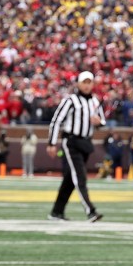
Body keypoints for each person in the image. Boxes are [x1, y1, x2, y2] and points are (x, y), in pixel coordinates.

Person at [46, 71, 105, 222]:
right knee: (79, 176)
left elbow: (102, 121)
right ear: (78, 83)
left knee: (70, 179)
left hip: (85, 143)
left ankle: (56, 212)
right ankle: (90, 211)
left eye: (89, 82)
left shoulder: (95, 102)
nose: (86, 85)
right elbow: (56, 120)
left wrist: (98, 122)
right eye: (84, 82)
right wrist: (52, 143)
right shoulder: (71, 100)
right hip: (71, 141)